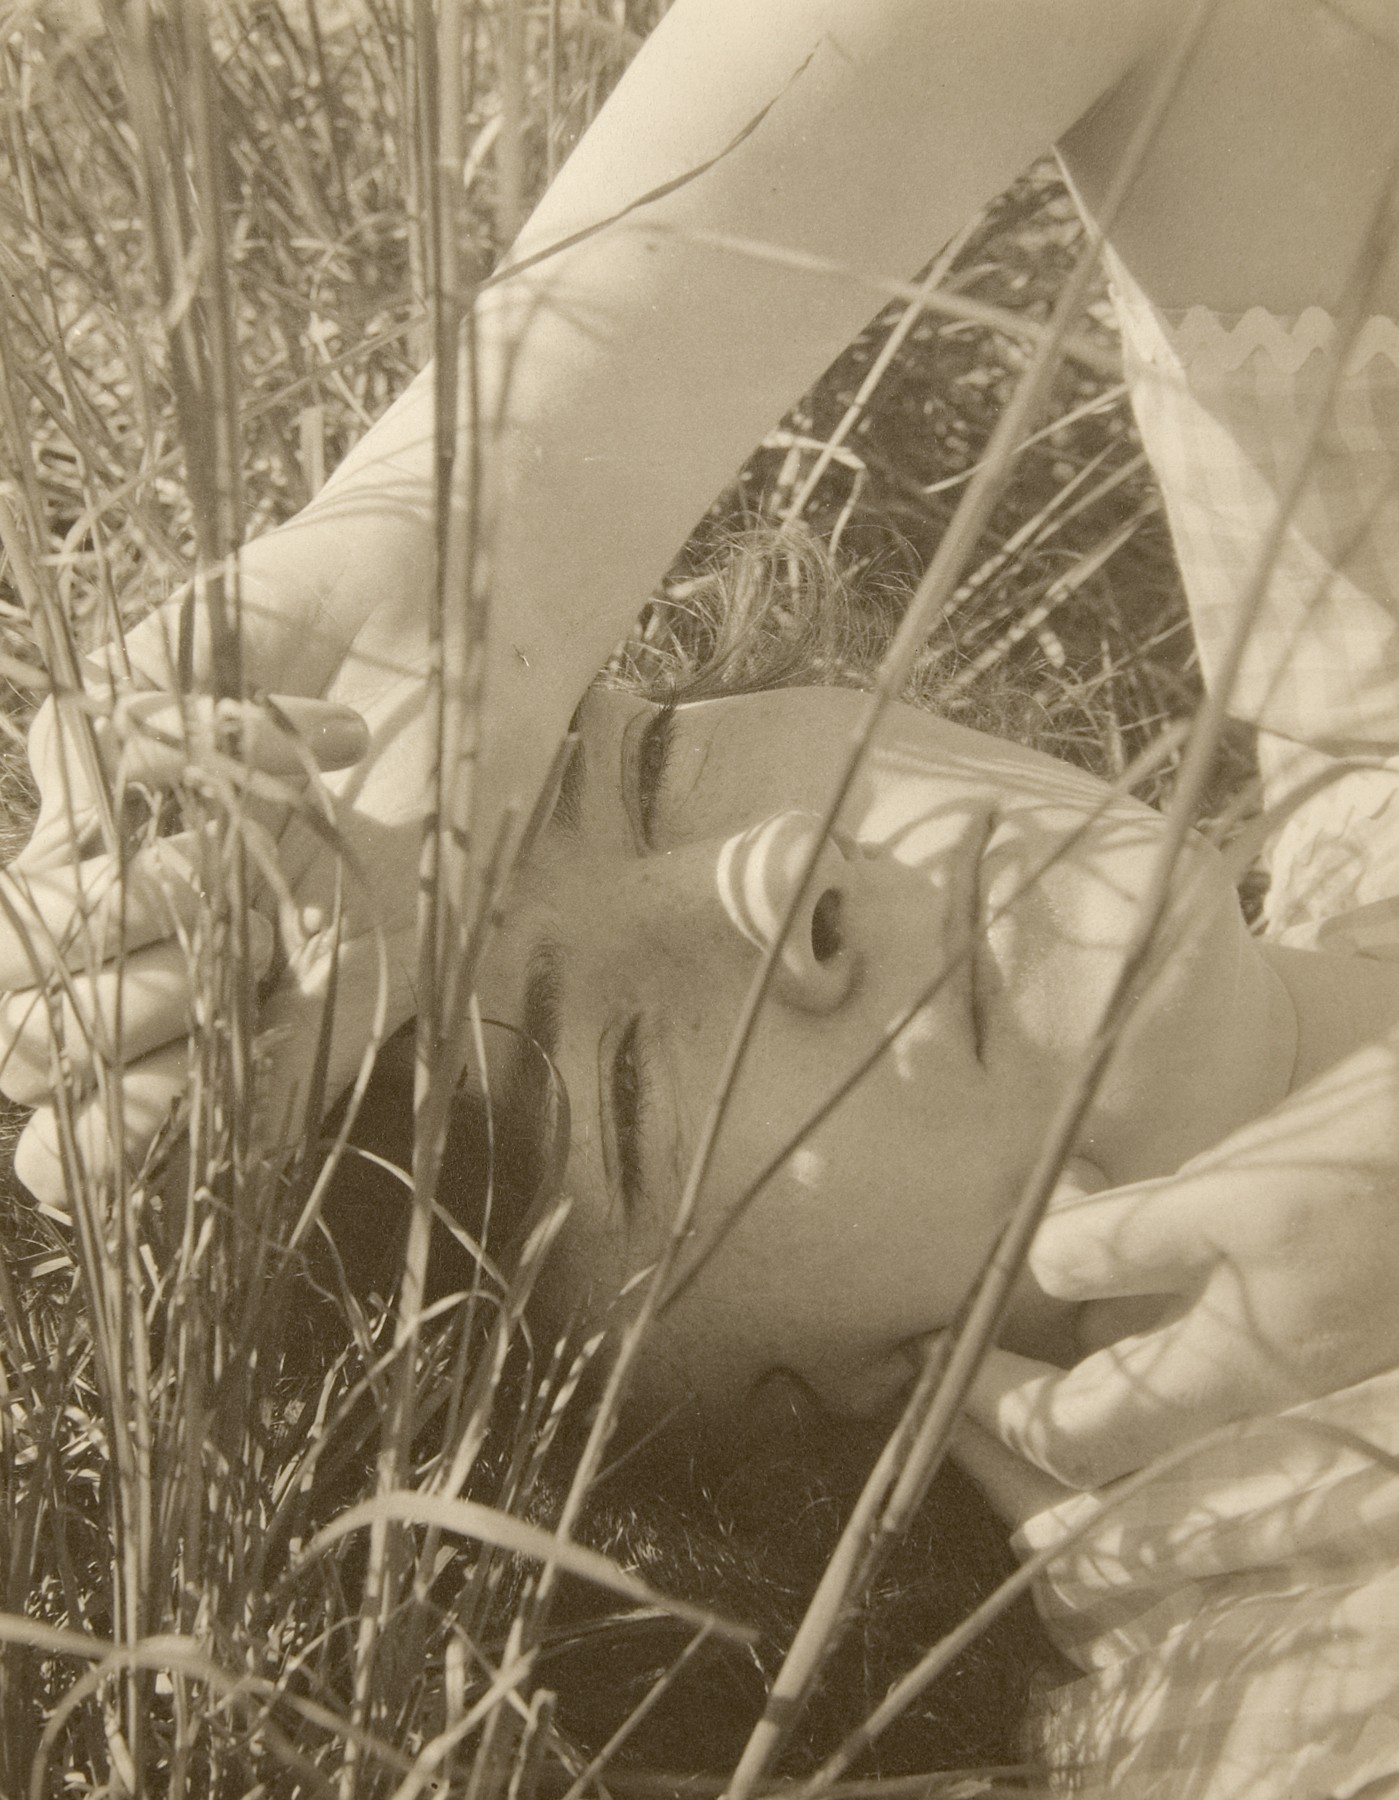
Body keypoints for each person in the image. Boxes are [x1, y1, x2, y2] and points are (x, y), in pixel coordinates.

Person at [3, 0, 1399, 1791]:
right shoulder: (1270, 1676)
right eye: (637, 1097)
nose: (773, 879)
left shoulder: (1357, 717)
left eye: (654, 770)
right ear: (789, 1441)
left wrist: (470, 537)